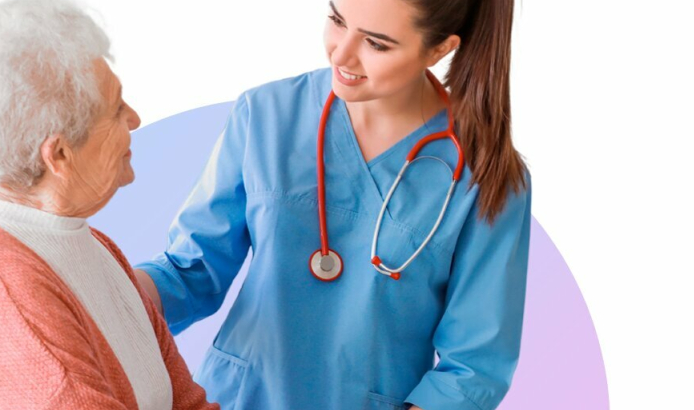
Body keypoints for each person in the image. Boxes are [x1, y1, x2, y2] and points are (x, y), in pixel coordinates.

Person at [135, 0, 531, 408]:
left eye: (376, 43)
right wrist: (103, 287)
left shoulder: (486, 177)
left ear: (439, 49)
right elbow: (191, 271)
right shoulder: (267, 115)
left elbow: (472, 368)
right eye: (338, 20)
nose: (341, 55)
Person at [0, 1, 218, 409]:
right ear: (59, 154)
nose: (135, 118)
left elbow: (187, 402)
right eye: (116, 110)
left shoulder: (95, 245)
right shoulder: (14, 296)